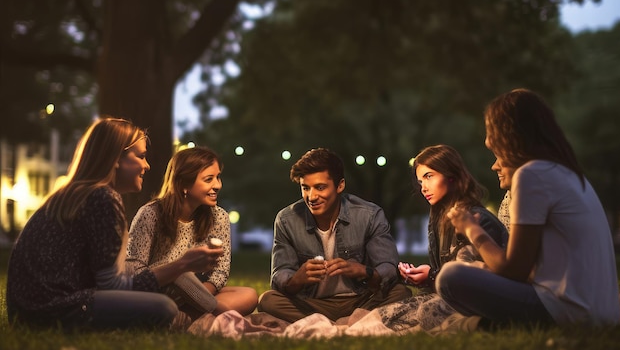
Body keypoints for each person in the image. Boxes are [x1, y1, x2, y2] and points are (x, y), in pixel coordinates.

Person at [6, 117, 221, 330]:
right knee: (164, 307)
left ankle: (201, 316)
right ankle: (195, 323)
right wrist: (182, 265)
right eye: (141, 156)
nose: (147, 165)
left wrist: (173, 270)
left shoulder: (73, 195)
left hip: (27, 311)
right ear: (117, 157)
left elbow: (103, 272)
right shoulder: (103, 198)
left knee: (165, 289)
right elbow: (112, 287)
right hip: (57, 311)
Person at [438, 88, 620, 327]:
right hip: (600, 311)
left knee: (451, 277)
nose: (487, 141)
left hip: (569, 312)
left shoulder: (531, 174)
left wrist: (471, 228)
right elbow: (531, 268)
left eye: (490, 130)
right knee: (475, 268)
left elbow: (513, 269)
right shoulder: (570, 174)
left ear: (508, 132)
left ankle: (490, 326)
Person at [347, 144, 509, 334]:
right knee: (384, 314)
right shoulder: (438, 220)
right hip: (452, 297)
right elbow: (443, 279)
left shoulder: (474, 219)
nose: (423, 187)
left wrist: (432, 276)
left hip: (479, 301)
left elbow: (468, 283)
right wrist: (426, 277)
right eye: (420, 180)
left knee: (425, 312)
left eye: (429, 176)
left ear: (451, 176)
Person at [257, 147, 411, 322]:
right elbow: (279, 275)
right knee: (268, 300)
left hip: (361, 301)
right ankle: (348, 325)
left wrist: (364, 271)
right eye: (305, 188)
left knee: (400, 292)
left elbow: (389, 268)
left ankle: (326, 326)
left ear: (340, 185)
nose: (312, 196)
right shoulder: (286, 220)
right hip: (313, 304)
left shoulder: (369, 215)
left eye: (320, 187)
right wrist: (297, 279)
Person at [127, 146, 258, 319]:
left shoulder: (218, 217)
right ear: (184, 184)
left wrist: (198, 296)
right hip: (157, 292)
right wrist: (179, 270)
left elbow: (220, 271)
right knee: (182, 275)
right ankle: (219, 316)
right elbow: (135, 273)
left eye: (218, 177)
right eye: (209, 179)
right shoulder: (151, 214)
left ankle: (184, 318)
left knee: (249, 295)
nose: (217, 185)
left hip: (198, 292)